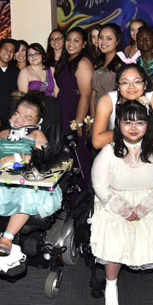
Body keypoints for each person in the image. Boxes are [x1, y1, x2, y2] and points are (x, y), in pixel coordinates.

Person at [90, 100, 153, 305]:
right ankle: (111, 284)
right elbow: (100, 185)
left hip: (152, 199)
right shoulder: (108, 151)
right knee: (113, 233)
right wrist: (122, 208)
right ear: (119, 124)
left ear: (147, 125)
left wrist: (145, 207)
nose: (133, 128)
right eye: (128, 122)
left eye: (140, 123)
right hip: (114, 200)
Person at [0, 92, 61, 256]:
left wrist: (17, 157)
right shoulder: (5, 134)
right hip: (5, 181)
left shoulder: (36, 135)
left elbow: (45, 155)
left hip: (29, 185)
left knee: (28, 197)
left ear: (37, 122)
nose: (20, 119)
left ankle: (7, 238)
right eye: (17, 114)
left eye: (28, 117)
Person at [92, 63, 153, 150]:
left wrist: (144, 126)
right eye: (125, 82)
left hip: (148, 150)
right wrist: (124, 129)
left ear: (145, 84)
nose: (131, 87)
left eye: (137, 81)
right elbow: (97, 142)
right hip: (117, 151)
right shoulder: (107, 101)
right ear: (118, 86)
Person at [56, 27, 94, 187]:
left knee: (79, 156)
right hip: (64, 110)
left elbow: (86, 95)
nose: (71, 44)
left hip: (75, 112)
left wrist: (77, 125)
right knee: (67, 158)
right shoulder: (66, 60)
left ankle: (85, 198)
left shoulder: (83, 62)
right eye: (69, 40)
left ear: (84, 44)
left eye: (76, 40)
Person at [90, 23, 125, 113]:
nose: (104, 42)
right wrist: (93, 119)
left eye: (109, 38)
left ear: (117, 41)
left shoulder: (121, 65)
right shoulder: (98, 63)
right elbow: (94, 95)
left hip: (113, 114)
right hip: (97, 115)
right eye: (101, 38)